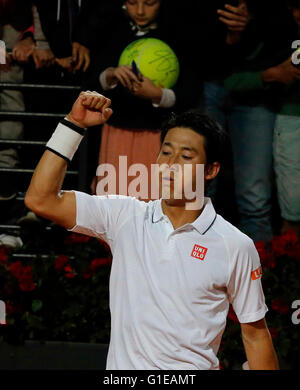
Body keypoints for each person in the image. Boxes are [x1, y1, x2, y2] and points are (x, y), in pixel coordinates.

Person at [25, 91, 279, 370]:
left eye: (185, 156)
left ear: (211, 170)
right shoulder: (125, 216)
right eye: (166, 152)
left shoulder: (235, 245)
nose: (170, 165)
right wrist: (74, 124)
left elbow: (255, 336)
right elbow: (41, 199)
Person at [200, 0, 296, 243]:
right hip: (206, 81)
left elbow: (283, 32)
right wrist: (229, 37)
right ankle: (193, 268)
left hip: (260, 90)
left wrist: (249, 26)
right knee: (200, 189)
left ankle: (258, 273)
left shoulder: (276, 15)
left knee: (255, 197)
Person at [85, 0, 199, 198]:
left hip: (158, 135)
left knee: (154, 197)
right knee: (114, 198)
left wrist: (158, 95)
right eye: (132, 3)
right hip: (117, 131)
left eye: (149, 3)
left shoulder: (178, 34)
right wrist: (111, 74)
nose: (140, 11)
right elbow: (91, 81)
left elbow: (191, 90)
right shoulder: (111, 31)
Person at [273, 0, 300, 237]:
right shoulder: (282, 33)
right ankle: (288, 270)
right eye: (295, 7)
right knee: (292, 211)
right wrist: (273, 74)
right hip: (292, 117)